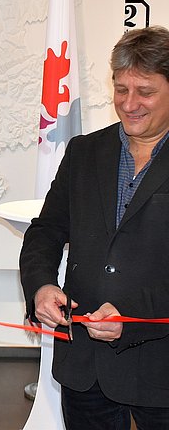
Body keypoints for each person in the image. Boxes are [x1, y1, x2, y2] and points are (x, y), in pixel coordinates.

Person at [19, 25, 169, 430]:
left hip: (161, 372)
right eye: (121, 89)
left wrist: (134, 316)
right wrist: (41, 286)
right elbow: (46, 231)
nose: (130, 103)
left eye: (146, 91)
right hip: (85, 371)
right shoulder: (84, 152)